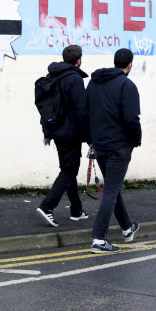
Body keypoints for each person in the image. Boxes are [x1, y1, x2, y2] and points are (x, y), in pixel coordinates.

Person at [85, 47, 141, 253]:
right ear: (129, 65)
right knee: (110, 190)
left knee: (112, 187)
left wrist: (91, 140)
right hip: (119, 147)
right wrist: (136, 141)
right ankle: (99, 239)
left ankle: (127, 228)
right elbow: (132, 119)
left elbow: (85, 113)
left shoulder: (93, 83)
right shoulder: (127, 85)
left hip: (100, 146)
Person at [35, 44, 90, 227]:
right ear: (78, 60)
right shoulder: (75, 79)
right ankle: (47, 206)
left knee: (68, 170)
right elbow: (81, 111)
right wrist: (90, 139)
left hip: (57, 133)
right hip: (71, 133)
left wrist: (47, 133)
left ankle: (77, 210)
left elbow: (46, 106)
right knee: (69, 170)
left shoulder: (53, 76)